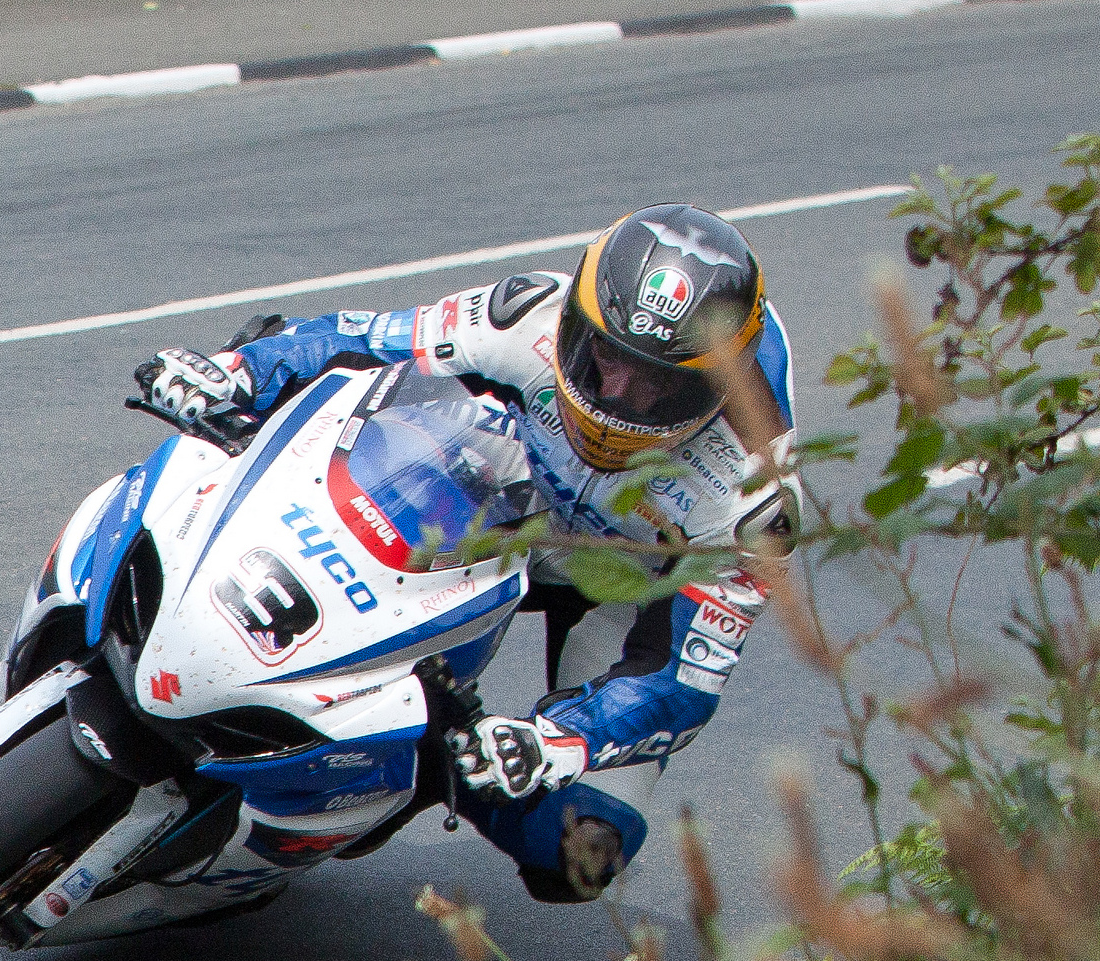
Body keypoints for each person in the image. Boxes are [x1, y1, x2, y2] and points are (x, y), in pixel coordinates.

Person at [137, 204, 802, 902]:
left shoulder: (755, 502)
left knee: (583, 852)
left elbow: (680, 684)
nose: (615, 396)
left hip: (633, 579)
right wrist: (235, 371)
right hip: (515, 478)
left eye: (658, 385)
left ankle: (421, 756)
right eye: (605, 358)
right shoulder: (531, 317)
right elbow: (359, 339)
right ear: (579, 321)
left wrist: (552, 740)